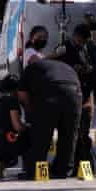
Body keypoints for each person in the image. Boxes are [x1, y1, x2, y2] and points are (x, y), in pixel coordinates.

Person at [17, 47, 82, 179]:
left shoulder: (30, 69)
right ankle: (63, 170)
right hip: (74, 95)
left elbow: (22, 95)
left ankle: (37, 171)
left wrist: (30, 113)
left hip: (50, 93)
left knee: (42, 135)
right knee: (69, 135)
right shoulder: (64, 66)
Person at [58, 24, 96, 170]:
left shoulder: (90, 48)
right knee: (70, 132)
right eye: (81, 41)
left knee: (84, 133)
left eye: (85, 42)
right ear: (75, 36)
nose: (83, 44)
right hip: (70, 95)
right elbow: (59, 69)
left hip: (87, 94)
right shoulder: (64, 48)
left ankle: (84, 165)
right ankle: (69, 164)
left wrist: (90, 69)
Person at [0, 77, 29, 179]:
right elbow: (17, 126)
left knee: (1, 135)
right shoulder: (12, 102)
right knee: (28, 135)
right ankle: (27, 168)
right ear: (16, 90)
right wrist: (27, 129)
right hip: (6, 143)